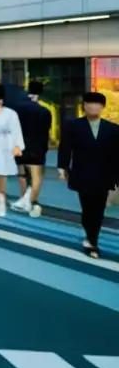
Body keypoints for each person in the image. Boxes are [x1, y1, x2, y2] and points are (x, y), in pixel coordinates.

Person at [57, 91, 119, 260]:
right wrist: (62, 166)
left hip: (104, 174)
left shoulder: (113, 129)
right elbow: (65, 147)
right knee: (87, 208)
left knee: (98, 209)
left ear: (102, 107)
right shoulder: (73, 125)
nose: (93, 106)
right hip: (81, 173)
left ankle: (93, 241)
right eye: (89, 103)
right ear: (84, 106)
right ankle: (89, 233)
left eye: (97, 104)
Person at [11, 80, 52, 218]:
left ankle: (23, 197)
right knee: (36, 176)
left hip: (19, 146)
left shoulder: (17, 107)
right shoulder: (44, 110)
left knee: (22, 173)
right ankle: (31, 201)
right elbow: (46, 131)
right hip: (37, 147)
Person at [0, 84, 25, 217]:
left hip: (5, 146)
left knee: (1, 174)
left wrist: (17, 146)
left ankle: (1, 202)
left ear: (0, 100)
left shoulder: (10, 114)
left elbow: (16, 131)